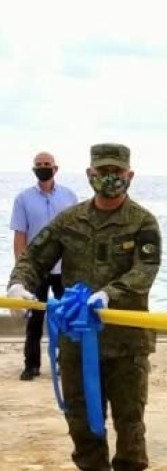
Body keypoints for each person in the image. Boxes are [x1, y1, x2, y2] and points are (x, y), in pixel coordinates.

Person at [6, 143, 161, 471]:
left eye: (117, 171)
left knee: (129, 423)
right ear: (90, 174)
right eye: (102, 170)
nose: (109, 177)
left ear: (129, 176)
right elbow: (36, 256)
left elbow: (146, 270)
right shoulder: (70, 221)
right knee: (81, 421)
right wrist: (20, 284)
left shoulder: (142, 222)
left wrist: (109, 294)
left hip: (125, 344)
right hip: (76, 342)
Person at [8, 151, 78, 380]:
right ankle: (32, 365)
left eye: (47, 164)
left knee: (66, 318)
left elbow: (77, 234)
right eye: (39, 164)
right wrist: (21, 272)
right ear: (33, 169)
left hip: (63, 269)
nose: (43, 167)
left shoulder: (69, 196)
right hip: (37, 271)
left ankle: (64, 363)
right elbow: (20, 236)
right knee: (35, 319)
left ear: (55, 168)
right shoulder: (23, 199)